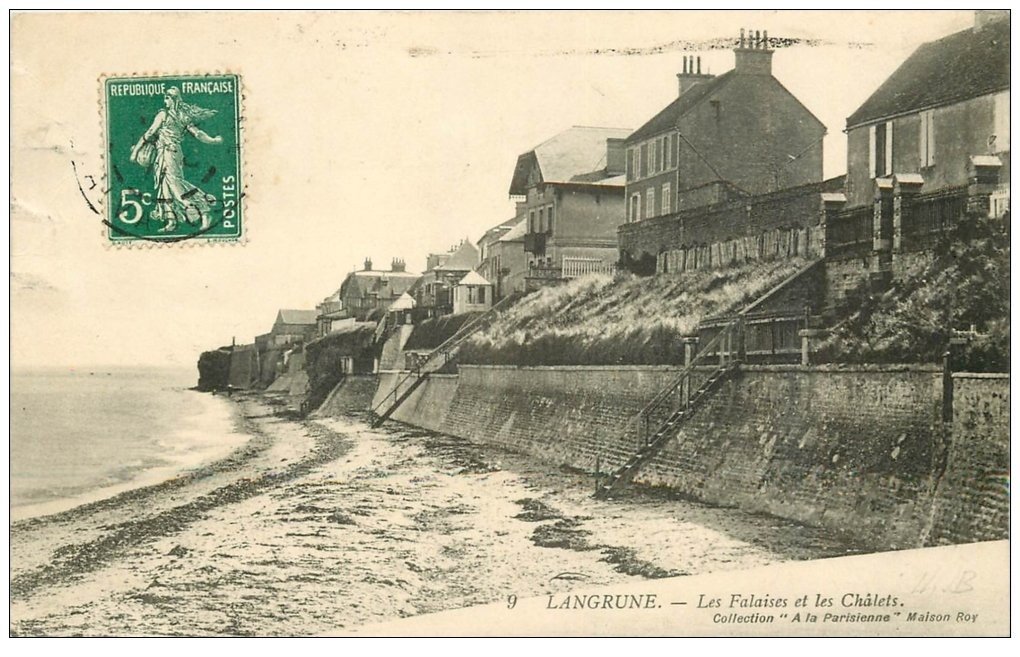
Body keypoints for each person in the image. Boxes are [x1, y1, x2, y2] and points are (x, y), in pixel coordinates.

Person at [131, 87, 223, 232]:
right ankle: (171, 221)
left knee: (174, 183)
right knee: (164, 186)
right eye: (165, 98)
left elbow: (150, 132)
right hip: (164, 153)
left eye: (167, 98)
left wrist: (135, 151)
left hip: (170, 152)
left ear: (174, 99)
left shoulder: (164, 114)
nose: (165, 101)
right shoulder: (182, 115)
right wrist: (212, 140)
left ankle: (201, 209)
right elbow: (198, 133)